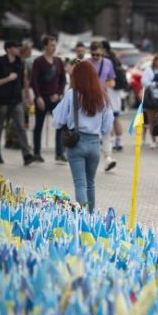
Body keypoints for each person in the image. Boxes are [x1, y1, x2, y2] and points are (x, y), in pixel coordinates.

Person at [52, 61, 113, 213]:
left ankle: (82, 216)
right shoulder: (102, 96)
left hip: (76, 143)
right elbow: (107, 126)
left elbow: (58, 120)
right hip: (94, 144)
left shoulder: (71, 94)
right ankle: (91, 217)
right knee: (91, 183)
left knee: (80, 183)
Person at [0, 41, 35, 165]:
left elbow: (22, 82)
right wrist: (8, 79)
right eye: (16, 47)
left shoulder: (19, 63)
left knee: (21, 127)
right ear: (8, 49)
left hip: (16, 100)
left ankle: (26, 155)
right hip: (3, 100)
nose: (18, 49)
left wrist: (25, 98)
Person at [31, 35, 66, 163]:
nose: (54, 48)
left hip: (55, 98)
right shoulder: (38, 61)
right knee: (38, 126)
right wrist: (38, 97)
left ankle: (59, 152)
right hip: (42, 98)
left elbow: (63, 80)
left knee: (60, 125)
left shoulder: (58, 62)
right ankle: (36, 152)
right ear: (45, 46)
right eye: (51, 45)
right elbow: (34, 81)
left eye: (55, 45)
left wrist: (59, 93)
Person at [87, 41, 117, 172]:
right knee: (90, 131)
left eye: (98, 54)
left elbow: (112, 80)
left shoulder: (108, 63)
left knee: (107, 129)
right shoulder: (85, 63)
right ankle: (90, 158)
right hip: (88, 100)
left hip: (103, 100)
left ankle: (108, 158)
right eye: (93, 54)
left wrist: (107, 85)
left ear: (102, 52)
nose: (95, 57)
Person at [101, 41, 125, 152]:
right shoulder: (115, 59)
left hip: (109, 90)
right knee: (116, 117)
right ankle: (119, 141)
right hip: (116, 92)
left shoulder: (106, 61)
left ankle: (109, 141)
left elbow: (106, 77)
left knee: (108, 117)